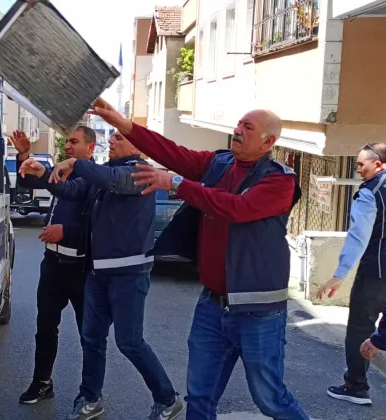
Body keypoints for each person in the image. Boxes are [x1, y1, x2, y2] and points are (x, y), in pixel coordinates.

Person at [88, 98, 308, 420]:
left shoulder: (280, 180)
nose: (237, 130)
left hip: (258, 311)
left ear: (268, 141)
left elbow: (236, 208)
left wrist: (175, 182)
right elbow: (173, 153)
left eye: (248, 127)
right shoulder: (219, 164)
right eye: (238, 124)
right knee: (200, 398)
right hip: (212, 307)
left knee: (269, 399)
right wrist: (126, 126)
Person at [18, 131, 184, 420]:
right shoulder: (104, 171)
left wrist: (76, 163)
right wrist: (43, 172)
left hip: (129, 274)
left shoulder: (141, 172)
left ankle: (167, 398)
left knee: (130, 342)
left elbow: (114, 181)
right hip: (97, 274)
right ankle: (90, 398)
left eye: (119, 137)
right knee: (92, 338)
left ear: (138, 146)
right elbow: (70, 190)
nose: (113, 141)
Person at [8, 127, 95, 405]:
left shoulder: (94, 179)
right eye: (67, 141)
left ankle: (91, 392)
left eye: (75, 142)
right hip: (52, 265)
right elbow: (30, 183)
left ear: (91, 148)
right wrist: (24, 155)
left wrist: (65, 231)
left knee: (89, 334)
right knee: (45, 327)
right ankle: (42, 383)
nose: (68, 146)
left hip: (81, 269)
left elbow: (98, 227)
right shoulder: (62, 170)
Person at [317, 143, 386, 406]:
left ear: (377, 164)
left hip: (376, 273)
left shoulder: (371, 192)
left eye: (361, 164)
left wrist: (339, 274)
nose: (357, 169)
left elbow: (359, 236)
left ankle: (356, 386)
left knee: (360, 328)